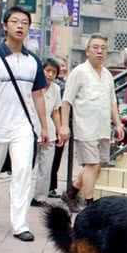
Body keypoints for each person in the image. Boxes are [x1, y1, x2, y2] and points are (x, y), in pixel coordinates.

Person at [0, 6, 50, 242]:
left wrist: (44, 127)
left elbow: (38, 96)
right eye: (15, 21)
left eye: (24, 22)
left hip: (23, 127)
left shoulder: (33, 61)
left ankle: (20, 224)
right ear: (5, 26)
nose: (20, 26)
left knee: (23, 171)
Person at [59, 34, 124, 211]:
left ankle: (71, 193)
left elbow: (112, 102)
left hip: (102, 128)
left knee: (96, 166)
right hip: (84, 127)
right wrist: (64, 126)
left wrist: (118, 123)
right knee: (92, 164)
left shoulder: (108, 75)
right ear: (87, 51)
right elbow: (66, 101)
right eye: (95, 47)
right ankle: (90, 204)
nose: (99, 51)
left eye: (103, 48)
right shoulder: (79, 72)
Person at [30, 58, 62, 207]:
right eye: (47, 70)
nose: (50, 75)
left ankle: (40, 197)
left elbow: (56, 111)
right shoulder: (32, 85)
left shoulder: (56, 89)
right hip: (30, 129)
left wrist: (59, 129)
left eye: (53, 72)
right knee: (25, 165)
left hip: (48, 132)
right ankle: (19, 194)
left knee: (46, 166)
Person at [48, 55, 68, 198]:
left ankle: (50, 186)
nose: (63, 68)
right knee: (50, 158)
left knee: (56, 158)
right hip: (52, 126)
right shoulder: (56, 86)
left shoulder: (62, 84)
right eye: (59, 66)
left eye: (63, 66)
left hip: (59, 125)